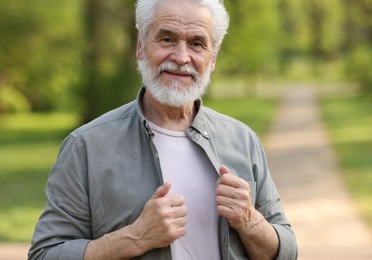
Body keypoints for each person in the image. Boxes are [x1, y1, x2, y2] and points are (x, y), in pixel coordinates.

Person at [28, 0, 298, 259]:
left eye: (197, 43)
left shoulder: (243, 140)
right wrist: (135, 238)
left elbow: (286, 251)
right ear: (140, 47)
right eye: (167, 39)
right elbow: (45, 254)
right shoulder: (85, 147)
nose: (181, 57)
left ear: (213, 57)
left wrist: (250, 221)